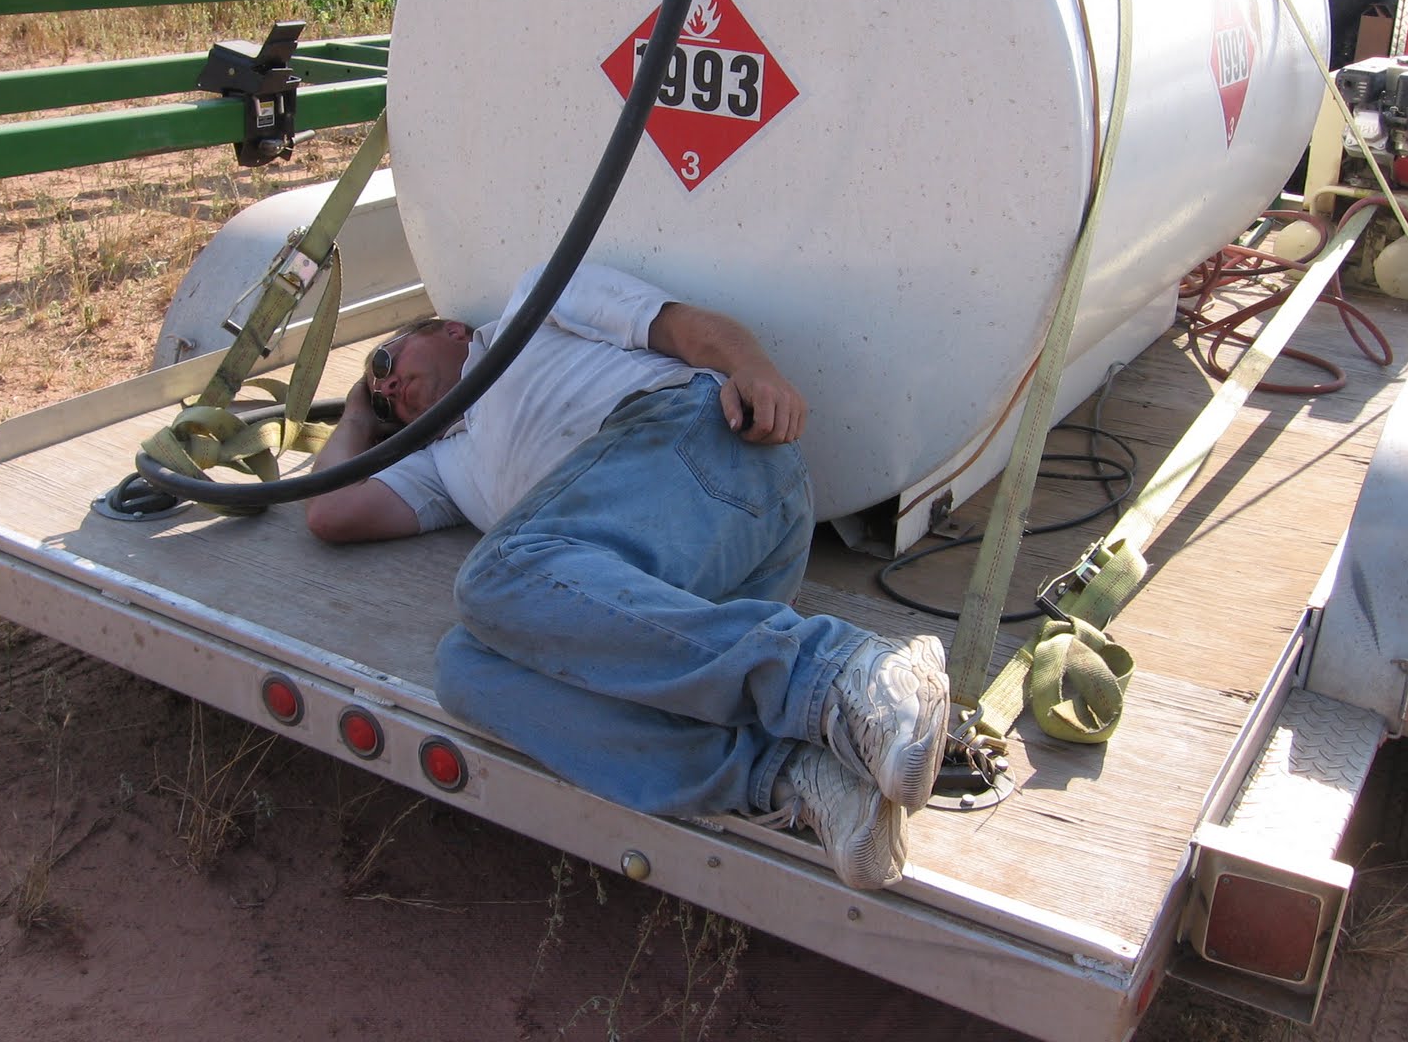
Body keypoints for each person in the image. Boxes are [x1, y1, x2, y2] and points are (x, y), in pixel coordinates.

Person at [306, 262, 950, 890]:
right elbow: (330, 509)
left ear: (446, 329)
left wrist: (753, 369)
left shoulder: (536, 305)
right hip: (676, 600)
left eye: (385, 364)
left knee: (495, 573)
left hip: (711, 449)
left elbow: (688, 329)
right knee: (465, 669)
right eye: (382, 396)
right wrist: (360, 418)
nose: (386, 388)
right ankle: (794, 776)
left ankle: (842, 673)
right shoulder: (444, 464)